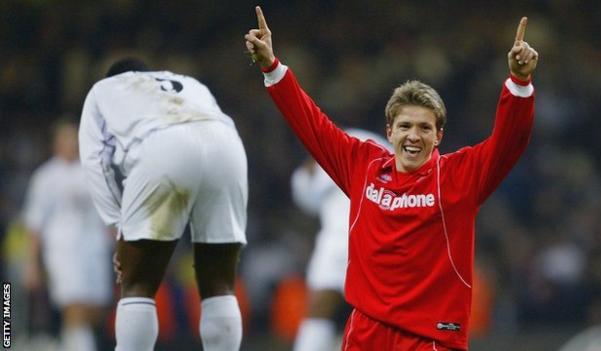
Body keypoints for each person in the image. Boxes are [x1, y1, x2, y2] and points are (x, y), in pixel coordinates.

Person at [245, 7, 538, 351]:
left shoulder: (459, 175)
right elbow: (312, 125)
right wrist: (271, 68)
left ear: (439, 135)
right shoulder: (363, 165)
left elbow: (509, 142)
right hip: (365, 335)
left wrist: (519, 83)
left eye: (424, 128)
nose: (414, 136)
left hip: (429, 338)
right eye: (405, 126)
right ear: (390, 131)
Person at [78, 58, 248, 351]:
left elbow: (96, 160)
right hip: (227, 145)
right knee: (219, 283)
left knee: (138, 284)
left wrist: (118, 225)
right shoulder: (190, 83)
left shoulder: (104, 89)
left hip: (163, 143)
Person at [292, 129, 390, 351]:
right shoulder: (392, 151)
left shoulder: (330, 149)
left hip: (344, 236)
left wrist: (307, 173)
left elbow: (305, 193)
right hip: (388, 243)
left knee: (320, 310)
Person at [22, 120, 113, 351]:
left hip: (94, 247)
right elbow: (35, 222)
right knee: (74, 303)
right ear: (56, 144)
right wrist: (31, 262)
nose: (72, 143)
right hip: (63, 249)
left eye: (75, 138)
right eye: (66, 138)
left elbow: (108, 213)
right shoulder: (45, 177)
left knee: (95, 310)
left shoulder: (93, 172)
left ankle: (70, 344)